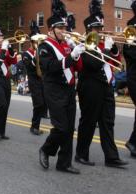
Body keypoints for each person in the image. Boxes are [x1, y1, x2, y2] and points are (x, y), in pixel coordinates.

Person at [75, 0, 128, 168]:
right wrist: (105, 50)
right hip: (90, 87)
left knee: (108, 122)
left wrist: (113, 50)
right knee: (89, 122)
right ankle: (81, 154)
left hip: (105, 86)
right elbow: (94, 64)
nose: (100, 31)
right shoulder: (83, 44)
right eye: (97, 29)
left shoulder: (101, 44)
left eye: (100, 28)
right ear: (89, 29)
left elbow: (114, 63)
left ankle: (111, 157)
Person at [38, 0, 84, 174]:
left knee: (69, 128)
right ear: (51, 30)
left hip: (69, 90)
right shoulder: (44, 47)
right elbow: (51, 67)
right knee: (61, 127)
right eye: (60, 28)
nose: (64, 31)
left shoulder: (66, 45)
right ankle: (46, 149)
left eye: (65, 28)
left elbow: (78, 68)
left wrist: (78, 52)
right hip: (54, 90)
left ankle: (64, 163)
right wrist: (71, 55)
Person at [22, 20, 46, 135]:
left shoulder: (41, 52)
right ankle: (34, 126)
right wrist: (36, 53)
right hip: (33, 81)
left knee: (43, 104)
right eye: (36, 42)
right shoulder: (26, 54)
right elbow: (29, 67)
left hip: (43, 80)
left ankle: (36, 125)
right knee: (38, 104)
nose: (38, 43)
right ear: (32, 42)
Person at [123, 1, 136, 158]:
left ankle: (133, 142)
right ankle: (133, 141)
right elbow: (129, 52)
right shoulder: (131, 28)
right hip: (134, 76)